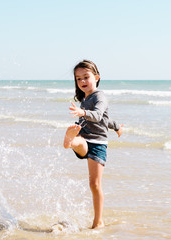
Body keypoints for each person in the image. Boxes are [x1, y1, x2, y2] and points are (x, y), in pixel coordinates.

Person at [63, 59, 123, 229]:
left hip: (98, 144)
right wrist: (116, 126)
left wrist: (83, 112)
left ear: (96, 77)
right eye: (78, 78)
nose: (82, 81)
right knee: (80, 142)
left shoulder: (100, 97)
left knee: (94, 184)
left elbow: (98, 116)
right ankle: (71, 140)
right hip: (85, 139)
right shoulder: (85, 99)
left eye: (86, 77)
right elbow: (104, 120)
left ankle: (98, 221)